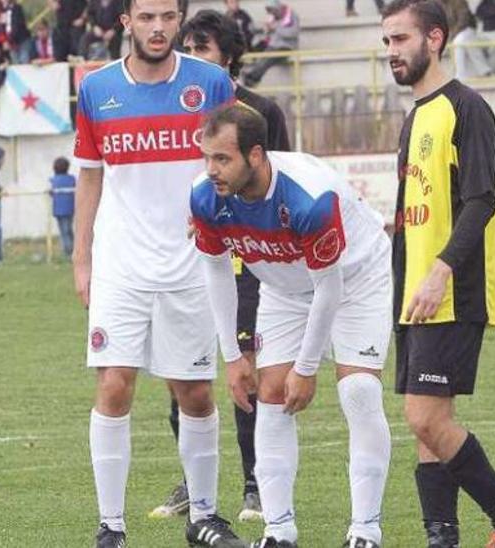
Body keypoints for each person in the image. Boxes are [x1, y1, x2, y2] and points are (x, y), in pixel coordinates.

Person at [70, 0, 241, 543]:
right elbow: (90, 177)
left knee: (193, 391)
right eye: (147, 17)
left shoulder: (212, 84)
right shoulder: (97, 89)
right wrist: (82, 258)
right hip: (121, 262)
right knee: (114, 384)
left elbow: (238, 162)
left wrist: (227, 223)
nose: (159, 27)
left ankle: (204, 516)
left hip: (192, 263)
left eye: (168, 16)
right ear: (126, 22)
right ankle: (110, 525)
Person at [382, 1, 495, 547]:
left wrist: (441, 272)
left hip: (450, 291)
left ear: (434, 38)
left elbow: (481, 200)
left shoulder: (466, 108)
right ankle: (442, 538)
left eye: (401, 39)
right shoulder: (416, 115)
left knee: (425, 418)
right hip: (414, 293)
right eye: (386, 42)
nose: (392, 52)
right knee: (428, 427)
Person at [193, 105, 392, 548]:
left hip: (354, 277)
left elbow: (329, 288)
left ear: (257, 156)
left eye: (222, 159)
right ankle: (278, 531)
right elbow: (217, 272)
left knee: (358, 391)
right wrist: (231, 356)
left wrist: (306, 368)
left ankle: (365, 532)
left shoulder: (309, 196)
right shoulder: (205, 196)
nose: (211, 170)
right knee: (271, 394)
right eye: (206, 157)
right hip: (282, 285)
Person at [149, 8, 294, 525]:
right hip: (191, 261)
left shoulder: (260, 113)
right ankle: (194, 479)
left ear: (227, 56)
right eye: (188, 46)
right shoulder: (179, 107)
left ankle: (255, 484)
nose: (192, 56)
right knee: (181, 373)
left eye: (203, 46)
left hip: (249, 264)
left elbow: (282, 181)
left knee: (245, 373)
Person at [240, 0, 299, 88]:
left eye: (272, 11)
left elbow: (293, 33)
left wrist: (275, 28)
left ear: (277, 9)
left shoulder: (291, 16)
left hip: (286, 47)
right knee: (259, 53)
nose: (272, 14)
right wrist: (263, 29)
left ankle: (252, 77)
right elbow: (269, 35)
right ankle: (249, 76)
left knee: (267, 59)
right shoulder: (274, 18)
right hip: (273, 46)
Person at [49, 156, 75, 258]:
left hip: (58, 210)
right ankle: (72, 249)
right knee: (68, 230)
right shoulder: (71, 179)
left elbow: (51, 192)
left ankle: (68, 252)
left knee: (64, 231)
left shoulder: (53, 180)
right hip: (70, 209)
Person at [0, 0, 32, 65]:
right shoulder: (2, 11)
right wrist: (4, 41)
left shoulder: (17, 8)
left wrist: (9, 40)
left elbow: (17, 26)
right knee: (16, 64)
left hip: (22, 41)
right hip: (11, 44)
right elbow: (2, 27)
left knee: (24, 62)